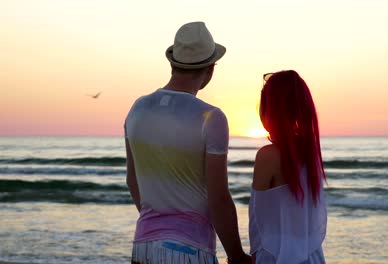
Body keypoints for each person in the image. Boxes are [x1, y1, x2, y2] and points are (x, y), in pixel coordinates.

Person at [124, 21, 251, 264]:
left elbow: (132, 180)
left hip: (143, 246)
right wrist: (237, 256)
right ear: (210, 69)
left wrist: (161, 225)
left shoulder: (137, 109)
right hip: (190, 250)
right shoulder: (210, 118)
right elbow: (219, 198)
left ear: (172, 64)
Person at [249, 71, 328, 263]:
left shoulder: (268, 156)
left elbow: (257, 222)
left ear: (269, 110)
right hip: (312, 256)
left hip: (275, 256)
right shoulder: (310, 155)